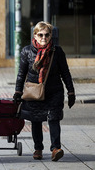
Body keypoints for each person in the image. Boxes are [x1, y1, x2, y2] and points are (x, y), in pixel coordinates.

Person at [14, 21, 76, 162]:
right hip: (34, 92)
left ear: (50, 36)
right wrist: (18, 92)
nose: (44, 37)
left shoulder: (57, 52)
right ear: (35, 36)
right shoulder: (26, 51)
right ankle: (38, 148)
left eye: (47, 35)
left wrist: (70, 91)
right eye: (40, 35)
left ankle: (56, 148)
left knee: (53, 118)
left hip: (54, 92)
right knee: (36, 119)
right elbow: (21, 74)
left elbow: (65, 73)